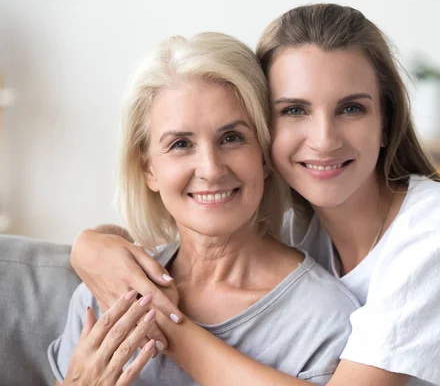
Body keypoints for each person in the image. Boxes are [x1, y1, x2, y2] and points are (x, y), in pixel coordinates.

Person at [69, 4, 440, 386]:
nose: (324, 138)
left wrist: (167, 325)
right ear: (265, 130)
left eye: (352, 109)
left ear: (386, 123)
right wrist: (92, 244)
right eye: (294, 110)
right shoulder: (300, 231)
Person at [47, 31, 359, 385]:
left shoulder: (324, 321)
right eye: (181, 144)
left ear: (265, 155)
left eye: (232, 138)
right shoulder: (101, 292)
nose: (211, 168)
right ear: (148, 168)